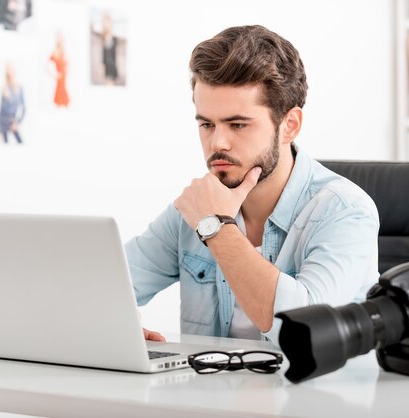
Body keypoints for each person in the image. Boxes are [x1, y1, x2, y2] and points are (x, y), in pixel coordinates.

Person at [125, 25, 379, 345]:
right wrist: (114, 324)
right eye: (206, 124)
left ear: (289, 125)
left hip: (316, 395)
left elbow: (302, 331)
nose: (218, 142)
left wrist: (216, 228)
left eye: (238, 124)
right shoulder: (195, 209)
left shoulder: (346, 211)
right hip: (206, 393)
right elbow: (104, 287)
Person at [0, 63, 25, 144]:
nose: (11, 73)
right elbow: (1, 110)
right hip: (4, 123)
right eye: (9, 70)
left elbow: (24, 108)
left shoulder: (20, 88)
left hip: (13, 121)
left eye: (12, 70)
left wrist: (17, 122)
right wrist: (0, 129)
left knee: (20, 143)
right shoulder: (4, 88)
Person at [48, 32, 69, 107]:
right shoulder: (55, 52)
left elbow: (67, 65)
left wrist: (67, 71)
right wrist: (54, 75)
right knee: (59, 99)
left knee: (65, 100)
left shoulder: (64, 52)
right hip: (59, 77)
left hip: (64, 77)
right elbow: (47, 65)